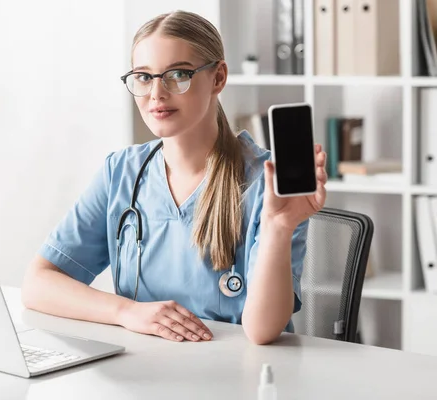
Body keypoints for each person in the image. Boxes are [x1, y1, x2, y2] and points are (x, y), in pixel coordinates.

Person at [21, 10, 327, 345]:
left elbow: (262, 331)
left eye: (177, 74)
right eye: (143, 77)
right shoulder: (121, 172)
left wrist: (278, 227)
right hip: (145, 371)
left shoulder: (268, 183)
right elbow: (38, 284)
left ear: (218, 78)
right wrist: (125, 312)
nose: (156, 94)